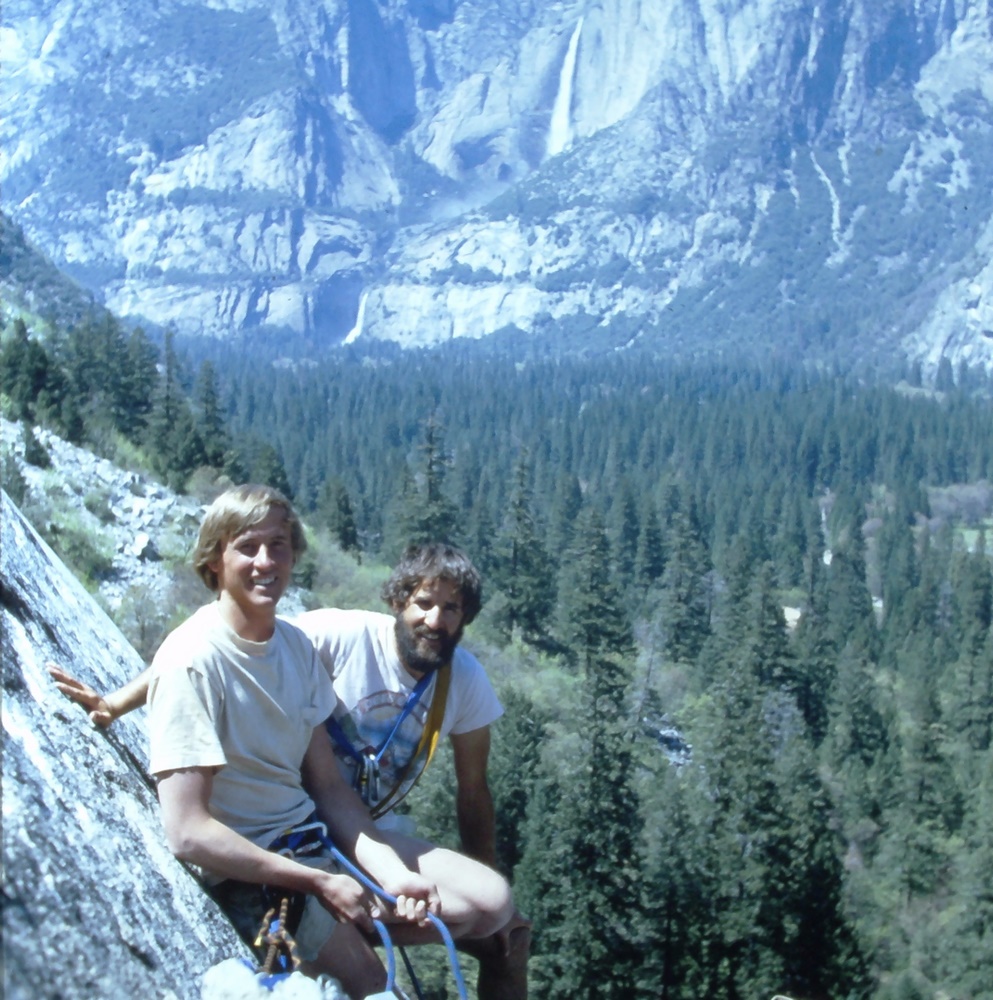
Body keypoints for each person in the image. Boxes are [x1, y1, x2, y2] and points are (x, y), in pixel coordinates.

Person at [56, 484, 514, 1000]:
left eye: (278, 546)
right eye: (247, 546)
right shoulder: (192, 661)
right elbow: (187, 833)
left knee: (486, 906)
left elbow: (329, 788)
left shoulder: (294, 646)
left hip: (313, 847)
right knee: (379, 991)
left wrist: (392, 876)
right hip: (259, 874)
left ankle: (346, 927)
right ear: (214, 559)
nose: (266, 561)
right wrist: (314, 883)